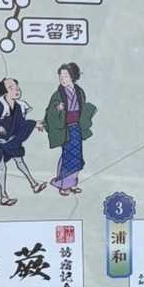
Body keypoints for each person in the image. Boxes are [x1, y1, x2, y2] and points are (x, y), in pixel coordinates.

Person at [0, 79, 45, 206]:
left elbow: (20, 125)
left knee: (20, 161)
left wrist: (34, 124)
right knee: (1, 167)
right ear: (4, 91)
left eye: (16, 86)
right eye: (11, 88)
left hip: (10, 141)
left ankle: (34, 184)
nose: (16, 90)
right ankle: (3, 197)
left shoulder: (19, 106)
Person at [43, 63, 97, 196]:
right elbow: (50, 110)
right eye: (60, 76)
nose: (62, 79)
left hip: (76, 127)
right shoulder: (58, 94)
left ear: (73, 76)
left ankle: (72, 183)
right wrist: (57, 108)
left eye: (65, 76)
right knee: (67, 155)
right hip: (65, 128)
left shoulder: (79, 91)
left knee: (77, 156)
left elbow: (82, 107)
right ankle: (63, 184)